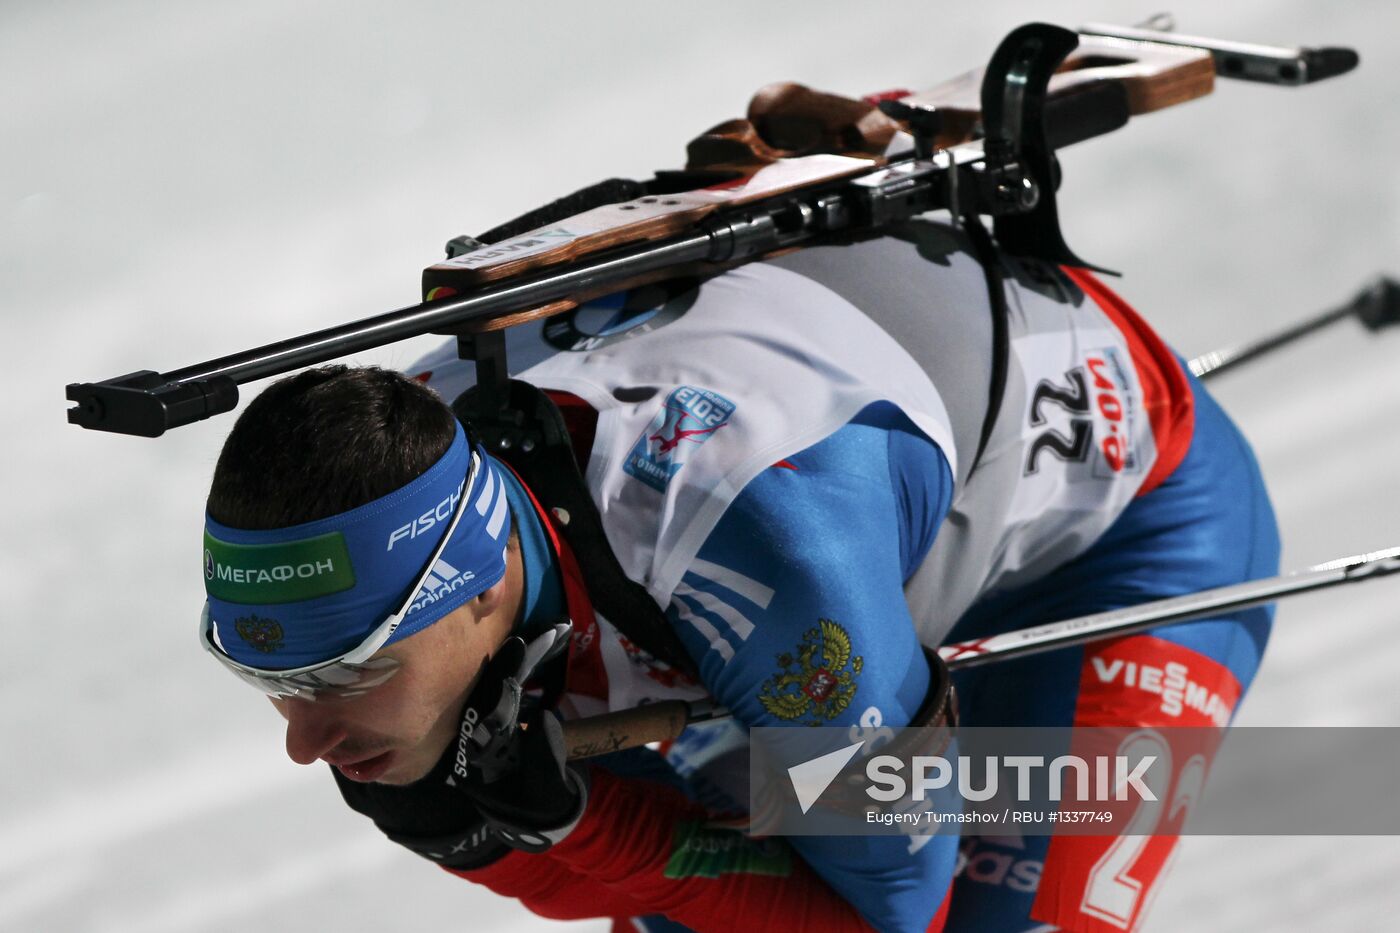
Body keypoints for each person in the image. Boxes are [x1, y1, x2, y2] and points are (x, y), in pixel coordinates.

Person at [199, 212, 1278, 932]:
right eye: (276, 686)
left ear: (479, 587)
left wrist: (575, 831)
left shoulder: (753, 556)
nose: (306, 744)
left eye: (341, 674)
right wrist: (509, 835)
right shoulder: (390, 526)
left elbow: (888, 914)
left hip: (1118, 544)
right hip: (808, 570)